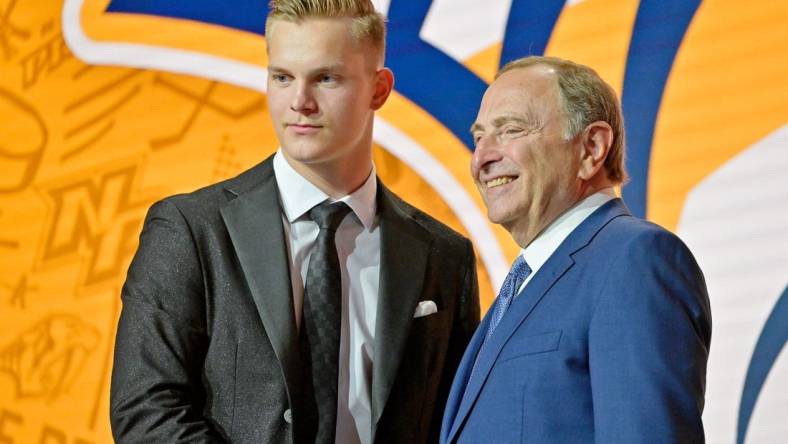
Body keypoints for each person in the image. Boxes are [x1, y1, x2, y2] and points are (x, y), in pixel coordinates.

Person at [109, 1, 480, 443]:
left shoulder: (444, 256)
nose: (300, 102)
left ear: (378, 90)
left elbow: (458, 424)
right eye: (282, 77)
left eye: (326, 78)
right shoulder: (191, 229)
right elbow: (145, 409)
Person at [441, 56, 711, 443]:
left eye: (511, 130)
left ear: (591, 148)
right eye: (479, 136)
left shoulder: (633, 261)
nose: (481, 158)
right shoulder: (524, 285)